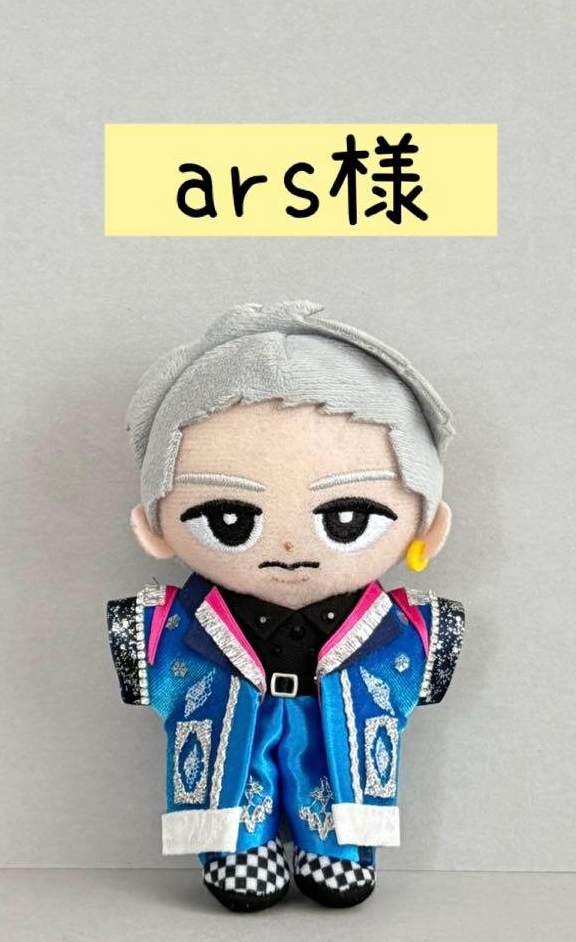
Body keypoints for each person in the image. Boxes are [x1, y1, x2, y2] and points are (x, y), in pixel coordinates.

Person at [106, 300, 464, 912]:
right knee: (236, 783)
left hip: (333, 719)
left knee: (335, 782)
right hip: (236, 719)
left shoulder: (408, 625)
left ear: (427, 527)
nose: (291, 548)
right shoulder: (168, 623)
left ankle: (340, 848)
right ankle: (236, 848)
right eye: (229, 519)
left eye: (348, 518)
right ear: (154, 527)